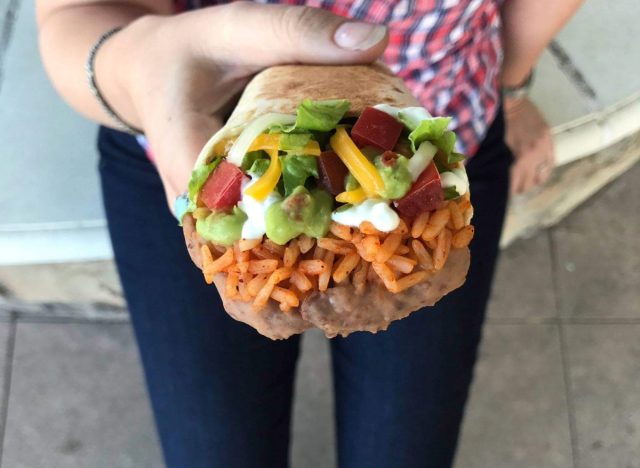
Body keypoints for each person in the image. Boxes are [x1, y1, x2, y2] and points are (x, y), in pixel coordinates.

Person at [37, 1, 583, 467]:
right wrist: (133, 65)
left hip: (439, 158)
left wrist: (512, 85)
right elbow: (75, 12)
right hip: (180, 140)